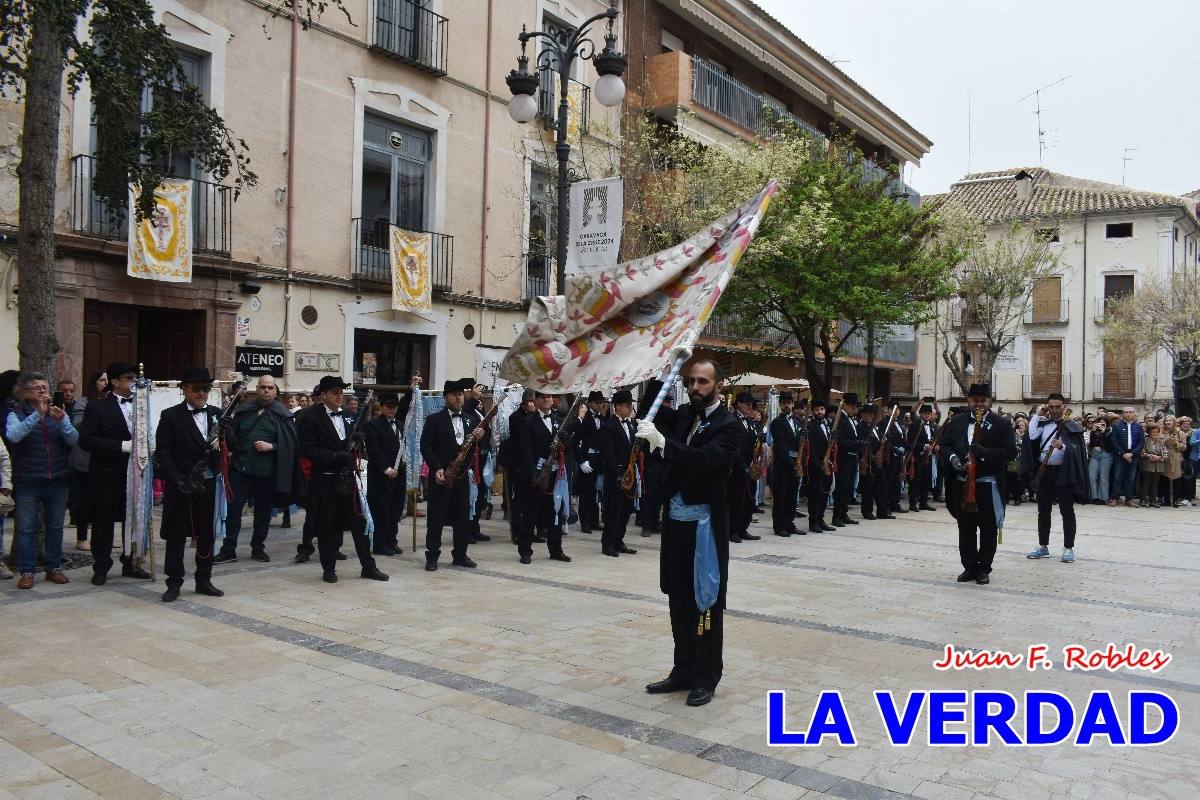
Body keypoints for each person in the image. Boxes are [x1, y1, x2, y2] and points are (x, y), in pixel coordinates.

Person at [638, 359, 741, 707]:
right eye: (691, 381)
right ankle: (682, 669)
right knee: (678, 597)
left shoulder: (730, 426)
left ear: (718, 385)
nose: (695, 387)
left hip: (705, 527)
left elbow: (703, 459)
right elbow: (648, 410)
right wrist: (665, 365)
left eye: (703, 381)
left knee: (706, 601)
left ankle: (706, 676)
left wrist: (664, 445)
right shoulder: (684, 414)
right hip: (676, 524)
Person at [296, 375, 388, 584]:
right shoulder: (310, 417)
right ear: (323, 395)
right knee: (327, 526)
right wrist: (335, 456)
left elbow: (359, 442)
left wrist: (358, 447)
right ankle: (328, 568)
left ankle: (368, 566)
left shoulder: (349, 415)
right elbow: (308, 450)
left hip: (349, 479)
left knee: (359, 523)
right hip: (325, 480)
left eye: (341, 392)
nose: (340, 396)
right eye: (335, 393)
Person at [154, 368, 224, 601]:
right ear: (184, 389)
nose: (201, 393)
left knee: (206, 533)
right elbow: (164, 453)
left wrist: (225, 433)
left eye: (205, 388)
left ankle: (204, 580)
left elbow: (229, 445)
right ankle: (174, 583)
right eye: (196, 388)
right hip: (181, 483)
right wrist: (176, 479)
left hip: (207, 483)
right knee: (176, 535)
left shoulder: (217, 414)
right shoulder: (170, 415)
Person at [79, 362, 152, 585]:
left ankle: (131, 562)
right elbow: (86, 440)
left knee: (134, 520)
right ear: (115, 382)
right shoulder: (97, 407)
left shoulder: (144, 404)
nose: (134, 381)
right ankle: (101, 566)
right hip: (108, 473)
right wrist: (120, 446)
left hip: (136, 474)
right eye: (129, 377)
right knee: (103, 523)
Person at [5, 372, 79, 589]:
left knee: (56, 526)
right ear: (26, 393)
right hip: (29, 480)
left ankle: (53, 567)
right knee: (26, 528)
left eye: (45, 387)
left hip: (57, 479)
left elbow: (74, 439)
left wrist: (63, 422)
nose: (43, 391)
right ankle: (27, 571)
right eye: (37, 388)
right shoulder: (16, 414)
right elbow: (14, 436)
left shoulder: (58, 413)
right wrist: (37, 415)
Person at [215, 374, 297, 564]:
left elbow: (292, 445)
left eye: (270, 388)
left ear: (275, 391)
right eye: (262, 387)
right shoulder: (245, 410)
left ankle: (258, 547)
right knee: (234, 511)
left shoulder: (283, 414)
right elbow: (231, 437)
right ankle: (229, 549)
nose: (266, 391)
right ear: (257, 389)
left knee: (263, 512)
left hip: (267, 473)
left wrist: (272, 447)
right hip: (241, 469)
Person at [942, 383, 1015, 585]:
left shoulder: (1002, 424)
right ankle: (969, 566)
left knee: (989, 529)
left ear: (990, 401)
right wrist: (954, 459)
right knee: (965, 528)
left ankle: (984, 568)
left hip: (987, 485)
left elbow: (1010, 452)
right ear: (969, 400)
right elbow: (945, 445)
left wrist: (984, 453)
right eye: (975, 400)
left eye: (983, 400)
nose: (979, 404)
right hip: (962, 484)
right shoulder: (956, 422)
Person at [420, 379, 482, 570]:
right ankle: (432, 557)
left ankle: (460, 554)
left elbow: (469, 453)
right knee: (436, 519)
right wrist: (436, 467)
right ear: (446, 397)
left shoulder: (471, 420)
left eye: (461, 394)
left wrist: (478, 440)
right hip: (441, 477)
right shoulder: (434, 419)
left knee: (462, 518)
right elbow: (426, 446)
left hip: (461, 477)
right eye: (454, 394)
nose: (458, 398)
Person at [1023, 394, 1087, 563]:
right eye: (1050, 407)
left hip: (1063, 472)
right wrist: (1037, 414)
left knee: (1067, 511)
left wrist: (1063, 446)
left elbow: (1077, 451)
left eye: (1057, 406)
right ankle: (1043, 546)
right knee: (1043, 511)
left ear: (1063, 406)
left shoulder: (1072, 426)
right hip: (1044, 473)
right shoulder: (1043, 424)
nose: (1054, 410)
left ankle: (1068, 548)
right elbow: (1031, 436)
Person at [516, 390, 576, 564]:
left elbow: (568, 449)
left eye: (550, 396)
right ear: (537, 399)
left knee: (555, 512)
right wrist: (533, 474)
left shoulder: (558, 422)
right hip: (537, 475)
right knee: (530, 514)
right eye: (544, 397)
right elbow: (526, 451)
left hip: (555, 475)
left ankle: (556, 549)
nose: (548, 399)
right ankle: (525, 550)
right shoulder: (528, 422)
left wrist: (566, 441)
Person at [364, 385, 416, 557]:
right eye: (388, 407)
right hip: (381, 476)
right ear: (382, 407)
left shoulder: (400, 424)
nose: (392, 410)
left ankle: (391, 540)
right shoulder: (373, 425)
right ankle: (380, 544)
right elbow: (374, 449)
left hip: (398, 474)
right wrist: (386, 468)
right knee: (382, 511)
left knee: (395, 510)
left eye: (394, 407)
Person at [598, 389, 639, 557]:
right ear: (618, 407)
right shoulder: (609, 426)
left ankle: (618, 539)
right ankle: (608, 543)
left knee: (626, 509)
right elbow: (609, 454)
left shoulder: (630, 424)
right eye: (628, 406)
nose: (630, 409)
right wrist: (617, 474)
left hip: (630, 471)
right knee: (614, 509)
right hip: (617, 472)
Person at [498, 389, 535, 544]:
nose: (533, 405)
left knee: (530, 501)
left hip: (530, 463)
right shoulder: (516, 418)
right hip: (517, 464)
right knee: (519, 499)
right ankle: (517, 533)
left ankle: (528, 532)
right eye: (530, 402)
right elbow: (523, 437)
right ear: (525, 403)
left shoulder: (534, 417)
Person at [67, 375, 97, 551]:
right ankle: (82, 536)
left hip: (104, 457)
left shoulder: (113, 403)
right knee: (85, 498)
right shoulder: (83, 403)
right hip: (84, 458)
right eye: (100, 380)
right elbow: (78, 424)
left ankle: (99, 535)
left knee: (100, 500)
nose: (104, 383)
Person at [768, 393, 801, 537]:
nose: (786, 405)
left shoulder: (797, 421)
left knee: (792, 497)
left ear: (793, 404)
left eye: (789, 402)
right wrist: (791, 464)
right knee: (781, 496)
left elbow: (799, 443)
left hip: (796, 463)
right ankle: (779, 526)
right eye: (784, 403)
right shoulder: (777, 422)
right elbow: (781, 447)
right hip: (783, 465)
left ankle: (789, 523)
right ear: (780, 405)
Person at [574, 390, 607, 534]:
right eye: (597, 403)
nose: (600, 405)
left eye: (602, 403)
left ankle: (594, 520)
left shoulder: (604, 418)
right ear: (590, 403)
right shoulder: (584, 419)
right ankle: (585, 522)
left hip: (599, 460)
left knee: (596, 492)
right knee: (586, 492)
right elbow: (575, 442)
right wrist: (581, 461)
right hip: (587, 459)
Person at [831, 393, 864, 527]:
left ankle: (843, 513)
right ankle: (837, 516)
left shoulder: (850, 419)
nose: (853, 409)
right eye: (852, 406)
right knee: (841, 487)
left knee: (848, 487)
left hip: (852, 457)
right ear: (845, 405)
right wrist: (856, 443)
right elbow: (839, 441)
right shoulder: (840, 419)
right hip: (843, 457)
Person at [804, 398, 835, 533]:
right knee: (814, 495)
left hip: (827, 464)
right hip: (816, 466)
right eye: (817, 410)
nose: (820, 412)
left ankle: (821, 519)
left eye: (822, 409)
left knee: (824, 494)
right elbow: (812, 449)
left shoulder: (828, 424)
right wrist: (819, 466)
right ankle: (813, 522)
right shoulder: (810, 426)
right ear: (813, 411)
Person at [860, 404, 891, 520]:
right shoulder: (861, 427)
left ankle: (882, 511)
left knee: (881, 486)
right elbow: (863, 445)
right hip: (868, 461)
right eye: (868, 414)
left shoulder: (875, 428)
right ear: (863, 415)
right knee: (868, 488)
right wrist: (872, 456)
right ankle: (867, 511)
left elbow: (879, 442)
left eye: (872, 414)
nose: (870, 416)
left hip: (878, 461)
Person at [1109, 406, 1144, 506]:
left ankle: (1129, 499)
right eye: (1126, 412)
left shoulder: (1138, 426)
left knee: (1131, 478)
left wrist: (1132, 453)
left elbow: (1141, 442)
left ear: (1134, 414)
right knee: (1117, 476)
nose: (1128, 414)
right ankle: (1115, 498)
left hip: (1133, 455)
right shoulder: (1116, 426)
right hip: (1120, 455)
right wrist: (1123, 454)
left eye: (1130, 412)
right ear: (1122, 414)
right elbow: (1114, 442)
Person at [907, 403, 937, 512]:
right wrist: (924, 446)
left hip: (928, 458)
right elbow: (911, 442)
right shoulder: (915, 425)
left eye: (929, 414)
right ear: (920, 414)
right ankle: (913, 503)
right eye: (925, 413)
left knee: (926, 480)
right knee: (916, 480)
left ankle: (924, 503)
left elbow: (933, 440)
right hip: (917, 457)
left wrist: (935, 447)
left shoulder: (932, 426)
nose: (927, 415)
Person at [1138, 423, 1167, 507]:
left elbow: (1166, 454)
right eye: (1153, 432)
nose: (1155, 434)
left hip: (1158, 467)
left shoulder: (1161, 442)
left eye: (1156, 432)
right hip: (1147, 466)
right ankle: (1143, 500)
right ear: (1149, 432)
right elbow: (1142, 452)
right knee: (1145, 484)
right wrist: (1150, 456)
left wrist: (1159, 458)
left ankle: (1153, 500)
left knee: (1154, 484)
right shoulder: (1144, 440)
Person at [1087, 416, 1114, 505]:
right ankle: (1093, 497)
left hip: (1106, 455)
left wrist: (1103, 433)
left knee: (1103, 477)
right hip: (1095, 455)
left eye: (1103, 424)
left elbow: (1109, 446)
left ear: (1107, 424)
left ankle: (1103, 498)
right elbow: (1091, 444)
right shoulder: (1094, 431)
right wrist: (1093, 432)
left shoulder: (1110, 432)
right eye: (1099, 423)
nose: (1101, 425)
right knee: (1091, 476)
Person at [1161, 415, 1186, 507]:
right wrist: (1164, 441)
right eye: (1166, 420)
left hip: (1176, 458)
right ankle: (1166, 499)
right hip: (1165, 457)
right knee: (1164, 479)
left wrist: (1175, 443)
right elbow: (1158, 444)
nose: (1168, 422)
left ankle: (1175, 500)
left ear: (1174, 422)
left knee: (1176, 479)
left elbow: (1184, 447)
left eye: (1170, 420)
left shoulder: (1180, 433)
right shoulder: (1161, 432)